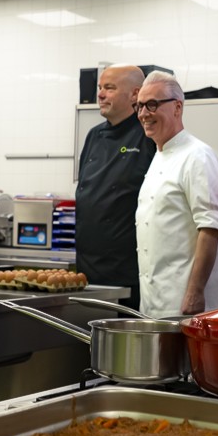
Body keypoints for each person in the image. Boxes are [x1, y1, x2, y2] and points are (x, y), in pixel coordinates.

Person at [134, 71, 218, 318]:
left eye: (152, 104)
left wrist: (195, 291)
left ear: (177, 107)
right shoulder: (158, 156)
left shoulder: (198, 156)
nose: (144, 113)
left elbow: (210, 228)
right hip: (155, 300)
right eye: (140, 106)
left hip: (190, 304)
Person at [75, 65, 156, 310]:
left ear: (135, 94)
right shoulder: (93, 136)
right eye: (100, 87)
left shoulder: (148, 135)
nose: (100, 94)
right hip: (88, 271)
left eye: (109, 88)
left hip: (129, 273)